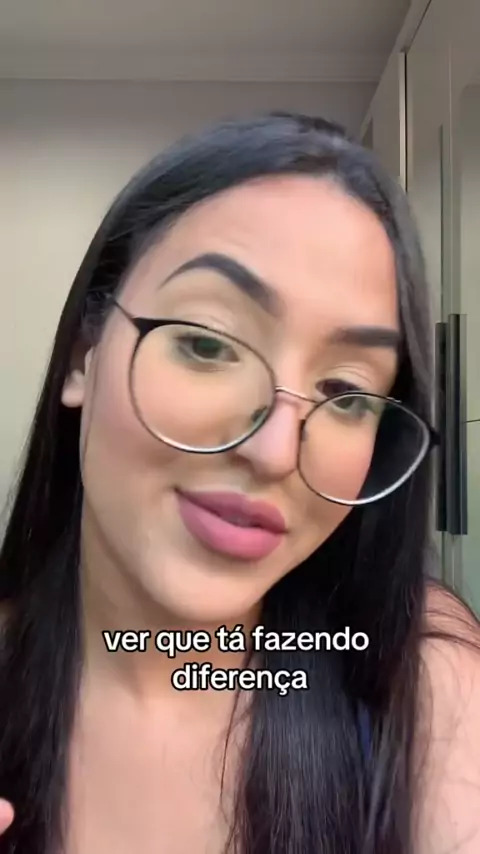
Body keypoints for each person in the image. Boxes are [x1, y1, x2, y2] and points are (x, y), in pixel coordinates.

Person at [0, 112, 479, 854]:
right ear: (82, 356)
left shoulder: (418, 682)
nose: (275, 451)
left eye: (345, 393)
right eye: (206, 344)